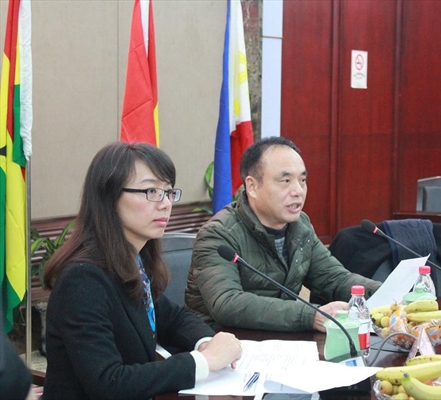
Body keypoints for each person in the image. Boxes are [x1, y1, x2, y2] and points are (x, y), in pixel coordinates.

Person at [42, 142, 242, 399]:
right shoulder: (82, 279)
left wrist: (207, 342)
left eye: (168, 192)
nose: (165, 204)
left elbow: (172, 318)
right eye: (151, 191)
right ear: (109, 197)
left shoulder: (132, 261)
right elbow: (108, 382)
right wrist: (203, 362)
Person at [186, 136, 381, 332]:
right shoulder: (218, 234)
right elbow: (227, 303)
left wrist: (387, 294)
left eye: (302, 180)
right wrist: (311, 316)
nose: (298, 191)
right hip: (222, 340)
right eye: (285, 181)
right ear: (252, 186)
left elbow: (334, 279)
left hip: (281, 339)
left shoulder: (300, 226)